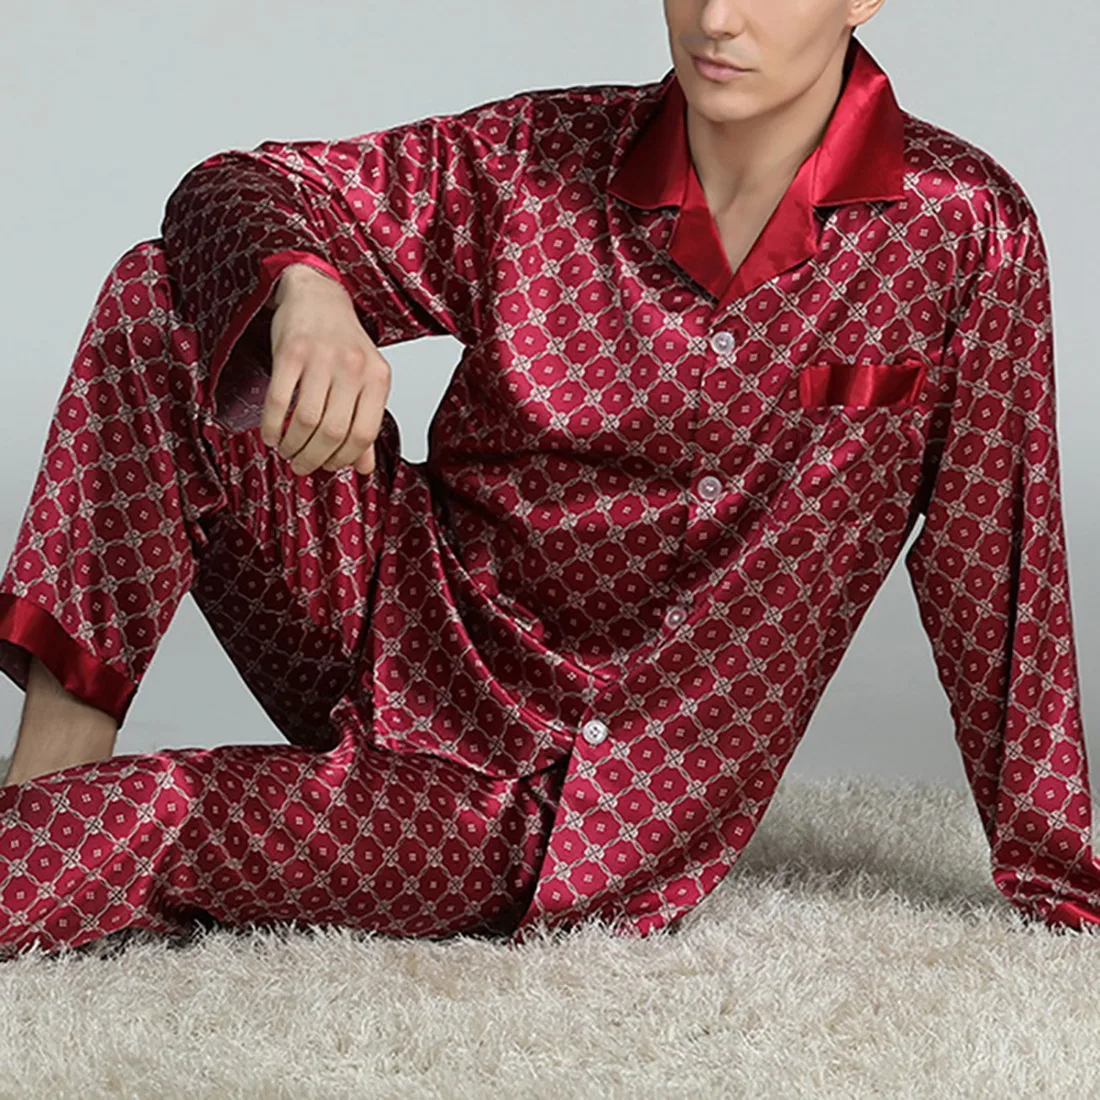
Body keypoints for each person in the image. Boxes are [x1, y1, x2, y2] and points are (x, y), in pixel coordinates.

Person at [0, 0, 1096, 961]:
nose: (716, 19)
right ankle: (49, 764)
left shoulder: (962, 235)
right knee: (165, 300)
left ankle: (50, 839)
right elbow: (231, 188)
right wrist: (308, 287)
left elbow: (996, 564)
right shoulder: (538, 159)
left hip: (559, 795)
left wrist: (1059, 870)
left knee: (167, 812)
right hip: (389, 613)